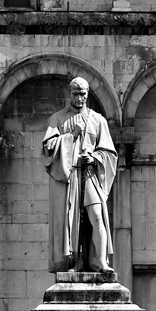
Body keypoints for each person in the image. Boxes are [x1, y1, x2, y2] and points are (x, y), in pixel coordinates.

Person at [41, 77, 118, 274]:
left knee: (97, 216)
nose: (79, 98)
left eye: (83, 93)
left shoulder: (98, 120)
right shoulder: (58, 119)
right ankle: (75, 264)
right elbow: (48, 149)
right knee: (73, 221)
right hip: (70, 176)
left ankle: (101, 262)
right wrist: (71, 136)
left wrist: (93, 158)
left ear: (88, 94)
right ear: (70, 93)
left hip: (90, 174)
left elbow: (110, 153)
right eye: (76, 93)